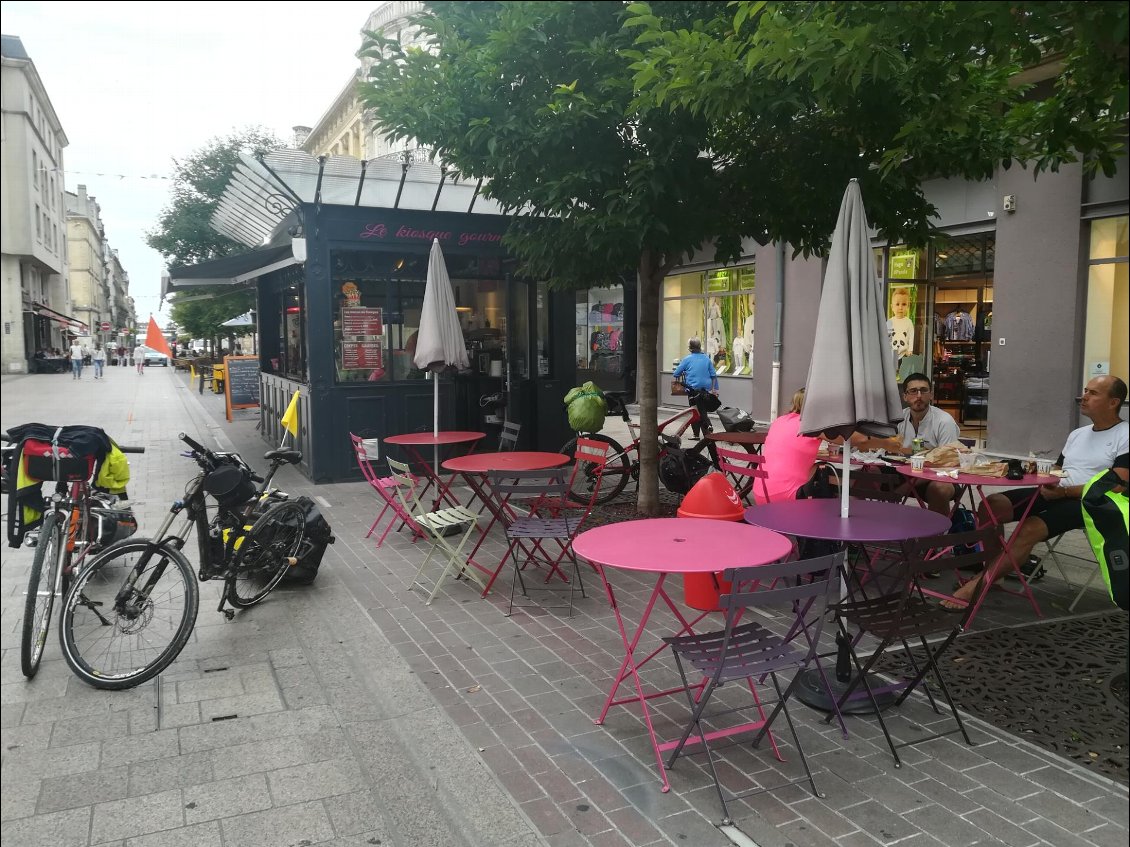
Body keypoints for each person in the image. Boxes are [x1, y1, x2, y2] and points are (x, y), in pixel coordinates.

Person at [945, 375, 1130, 609]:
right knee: (991, 505)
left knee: (1029, 527)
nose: (1084, 397)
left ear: (1113, 402)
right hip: (1057, 492)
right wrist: (1042, 478)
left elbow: (1118, 484)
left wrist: (1062, 493)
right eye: (1085, 390)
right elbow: (1060, 469)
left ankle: (978, 585)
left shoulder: (1125, 435)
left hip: (1090, 502)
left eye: (1093, 393)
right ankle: (994, 571)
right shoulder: (1078, 434)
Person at [855, 372, 960, 515]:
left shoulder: (944, 422)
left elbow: (947, 463)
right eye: (913, 391)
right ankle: (861, 522)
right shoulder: (899, 418)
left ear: (931, 395)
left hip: (935, 475)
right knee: (866, 475)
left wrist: (905, 488)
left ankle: (937, 534)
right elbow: (886, 449)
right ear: (905, 396)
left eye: (923, 390)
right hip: (903, 471)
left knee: (940, 489)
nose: (918, 396)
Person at [756, 388, 822, 504]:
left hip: (760, 493)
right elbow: (855, 439)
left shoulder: (779, 421)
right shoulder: (812, 424)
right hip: (787, 497)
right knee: (823, 469)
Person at [672, 337, 718, 437]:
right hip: (706, 390)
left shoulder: (687, 359)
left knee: (695, 411)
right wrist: (714, 389)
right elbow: (713, 375)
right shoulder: (706, 358)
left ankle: (701, 433)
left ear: (690, 348)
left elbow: (676, 374)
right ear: (699, 347)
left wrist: (685, 371)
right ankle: (705, 433)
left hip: (693, 390)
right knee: (702, 410)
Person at [887, 287, 915, 359]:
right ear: (892, 307)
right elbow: (887, 338)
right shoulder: (889, 322)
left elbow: (911, 337)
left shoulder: (908, 322)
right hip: (891, 354)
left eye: (904, 304)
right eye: (897, 304)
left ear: (908, 306)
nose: (900, 307)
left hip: (905, 354)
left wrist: (910, 350)